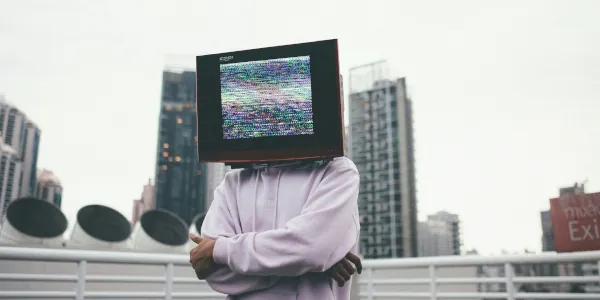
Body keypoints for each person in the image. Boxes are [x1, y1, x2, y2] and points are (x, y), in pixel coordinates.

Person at [189, 158, 362, 299]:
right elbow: (214, 273)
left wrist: (221, 251)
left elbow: (308, 252)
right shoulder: (232, 182)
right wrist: (306, 264)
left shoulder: (338, 171)